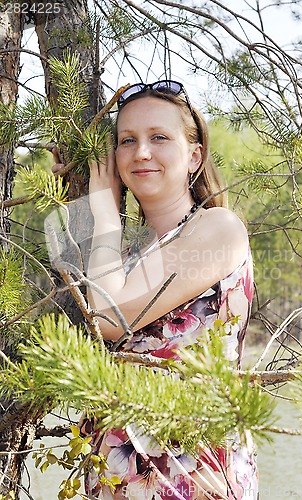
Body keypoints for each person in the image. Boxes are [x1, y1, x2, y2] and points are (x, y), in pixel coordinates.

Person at [53, 80, 258, 499]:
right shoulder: (130, 253)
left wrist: (105, 213)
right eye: (127, 140)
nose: (141, 152)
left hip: (190, 476)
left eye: (159, 137)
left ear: (194, 155)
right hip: (118, 476)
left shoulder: (219, 228)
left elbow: (110, 319)